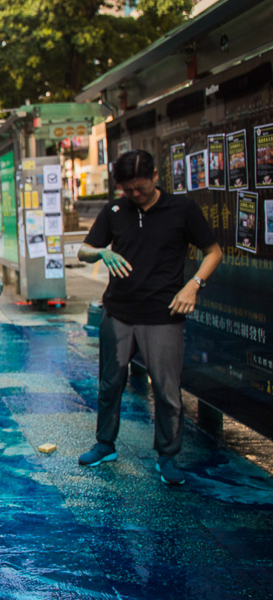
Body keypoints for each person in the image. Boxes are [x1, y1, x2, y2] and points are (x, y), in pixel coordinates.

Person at [77, 150, 223, 485]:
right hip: (118, 312)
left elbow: (213, 252)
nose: (134, 195)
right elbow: (84, 250)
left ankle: (168, 456)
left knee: (167, 390)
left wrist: (193, 285)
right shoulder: (114, 210)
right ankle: (105, 444)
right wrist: (102, 251)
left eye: (140, 188)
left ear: (156, 176)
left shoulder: (182, 209)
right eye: (128, 190)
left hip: (163, 314)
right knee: (110, 382)